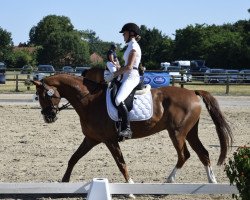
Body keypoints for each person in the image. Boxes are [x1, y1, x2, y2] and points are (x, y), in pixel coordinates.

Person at [105, 23, 142, 139]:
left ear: (131, 33)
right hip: (126, 76)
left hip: (132, 76)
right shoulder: (130, 46)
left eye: (124, 33)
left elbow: (129, 66)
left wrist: (113, 75)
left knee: (118, 99)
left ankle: (127, 129)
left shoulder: (134, 47)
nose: (123, 36)